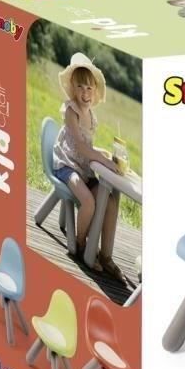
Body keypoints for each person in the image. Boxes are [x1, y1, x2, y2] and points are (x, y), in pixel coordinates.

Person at [53, 53, 124, 279]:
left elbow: (89, 146)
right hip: (66, 165)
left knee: (110, 202)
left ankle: (105, 255)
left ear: (94, 91)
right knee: (88, 201)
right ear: (73, 88)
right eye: (80, 87)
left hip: (83, 168)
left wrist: (104, 154)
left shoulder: (91, 115)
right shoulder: (71, 111)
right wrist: (102, 160)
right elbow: (80, 147)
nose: (85, 93)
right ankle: (82, 243)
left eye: (89, 88)